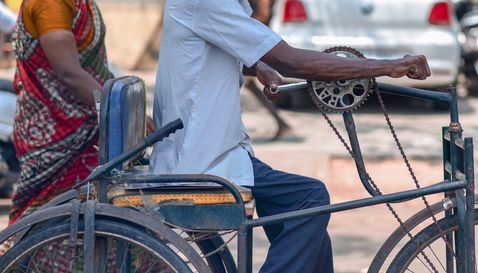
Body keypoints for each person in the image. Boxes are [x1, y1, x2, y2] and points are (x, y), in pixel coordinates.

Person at [150, 1, 430, 272]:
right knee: (310, 198)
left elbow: (213, 49)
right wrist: (387, 66)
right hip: (200, 158)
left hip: (216, 152)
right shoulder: (209, 2)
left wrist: (259, 67)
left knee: (302, 216)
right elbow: (291, 60)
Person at [8, 0, 113, 225]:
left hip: (88, 127)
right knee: (45, 224)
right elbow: (69, 73)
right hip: (58, 132)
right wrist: (117, 108)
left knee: (96, 223)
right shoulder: (50, 2)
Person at [246, 0, 291, 140]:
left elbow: (263, 13)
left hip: (251, 35)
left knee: (249, 82)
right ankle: (281, 122)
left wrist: (247, 29)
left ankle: (281, 122)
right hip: (249, 33)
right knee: (249, 84)